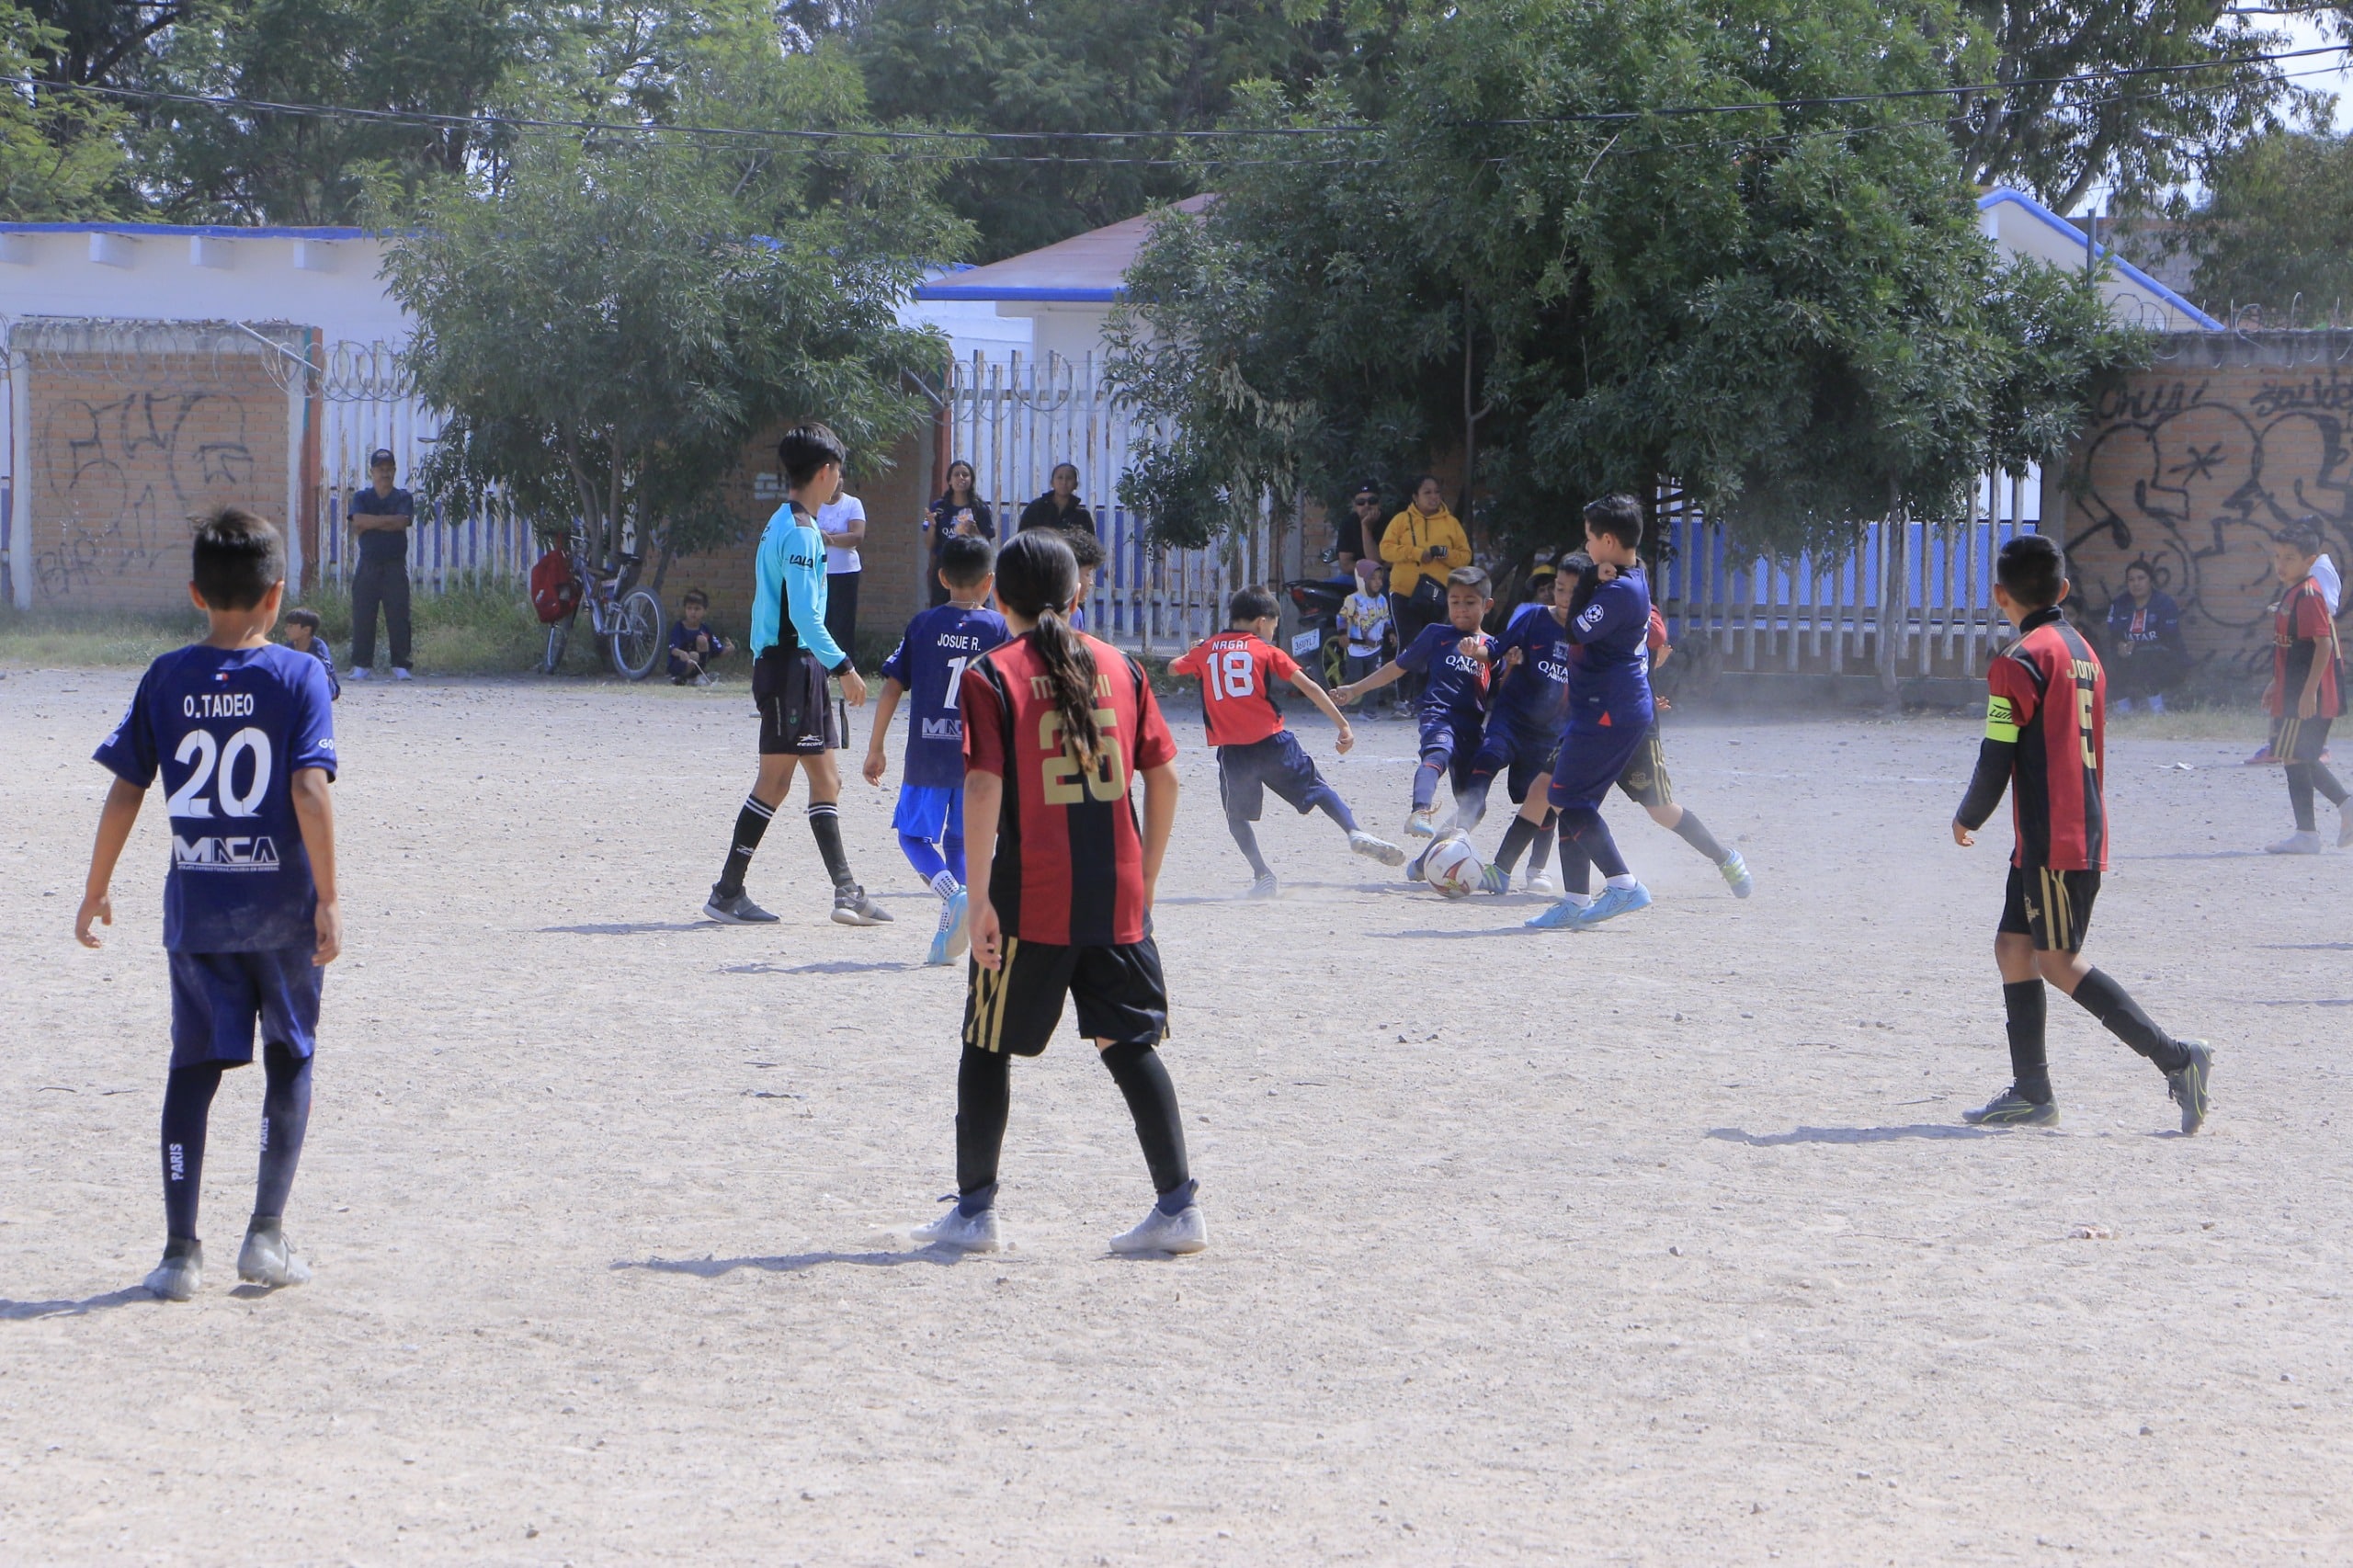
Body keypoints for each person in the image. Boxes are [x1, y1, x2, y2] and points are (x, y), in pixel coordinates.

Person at [912, 530, 1202, 1256]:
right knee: (1129, 1044)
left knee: (986, 1044)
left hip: (1029, 895)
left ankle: (975, 1214)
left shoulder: (992, 673)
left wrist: (978, 899)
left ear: (998, 599)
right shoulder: (1125, 668)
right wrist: (1150, 878)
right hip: (1117, 894)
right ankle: (1179, 1209)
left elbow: (982, 787)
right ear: (1080, 596)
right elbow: (1164, 778)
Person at [76, 506, 339, 1300]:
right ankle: (265, 1235)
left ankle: (179, 1252)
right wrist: (329, 899)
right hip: (281, 910)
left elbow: (127, 789)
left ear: (196, 593)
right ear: (276, 595)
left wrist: (96, 888)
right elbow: (308, 789)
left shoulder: (165, 676)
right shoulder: (301, 677)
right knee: (289, 1055)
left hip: (197, 911)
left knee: (193, 1067)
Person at [1951, 533, 2212, 1131]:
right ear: (2063, 591)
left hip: (2052, 840)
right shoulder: (2083, 652)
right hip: (2073, 831)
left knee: (2058, 961)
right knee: (2013, 948)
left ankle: (2179, 1059)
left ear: (1999, 595)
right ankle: (2032, 1092)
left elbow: (1998, 753)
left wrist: (1968, 815)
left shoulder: (2016, 662)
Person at [701, 423, 890, 928]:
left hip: (790, 665)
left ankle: (846, 892)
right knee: (776, 781)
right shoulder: (804, 533)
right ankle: (727, 892)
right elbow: (805, 616)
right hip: (791, 666)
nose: (840, 481)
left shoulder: (780, 520)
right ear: (825, 473)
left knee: (826, 779)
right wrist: (845, 667)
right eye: (839, 473)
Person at [1487, 554, 1755, 901]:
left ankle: (1724, 857)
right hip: (1590, 723)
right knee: (1547, 790)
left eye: (1576, 588)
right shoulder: (1573, 621)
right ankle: (1502, 869)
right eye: (1561, 589)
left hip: (1631, 728)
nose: (1566, 597)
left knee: (1661, 810)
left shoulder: (1626, 609)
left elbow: (1655, 633)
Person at [1167, 585, 1404, 897]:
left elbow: (1172, 669)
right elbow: (1309, 687)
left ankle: (1262, 874)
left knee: (1236, 816)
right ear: (1262, 622)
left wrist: (1193, 650)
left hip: (1234, 753)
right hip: (1273, 743)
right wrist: (1343, 724)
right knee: (1318, 789)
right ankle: (1354, 832)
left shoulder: (1207, 649)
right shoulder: (1266, 650)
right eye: (1274, 626)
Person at [863, 534, 1010, 964]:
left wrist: (876, 748)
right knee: (962, 840)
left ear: (942, 577)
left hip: (928, 754)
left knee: (912, 834)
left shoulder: (923, 625)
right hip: (978, 758)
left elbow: (892, 687)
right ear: (989, 582)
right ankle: (952, 926)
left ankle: (952, 894)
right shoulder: (999, 630)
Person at [1525, 497, 1659, 931]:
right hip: (1605, 708)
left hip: (1610, 711)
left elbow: (1575, 627)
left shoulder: (1621, 590)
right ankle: (1576, 900)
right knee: (1575, 801)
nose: (1585, 544)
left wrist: (1585, 579)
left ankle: (1622, 883)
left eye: (1588, 537)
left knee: (1564, 799)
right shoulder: (1629, 575)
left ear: (1606, 540)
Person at [1334, 566, 1495, 841]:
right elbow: (1397, 667)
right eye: (1455, 602)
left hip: (1472, 728)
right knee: (1437, 755)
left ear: (1487, 605)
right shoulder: (1436, 635)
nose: (1461, 609)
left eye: (1470, 602)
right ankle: (1420, 811)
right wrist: (1354, 688)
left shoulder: (1493, 647)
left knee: (1475, 807)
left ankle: (1431, 859)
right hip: (1439, 715)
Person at [2262, 522, 2349, 854]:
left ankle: (2336, 811)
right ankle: (2309, 834)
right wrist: (2275, 681)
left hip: (2306, 692)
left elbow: (2323, 645)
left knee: (2296, 754)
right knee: (2293, 755)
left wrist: (2310, 691)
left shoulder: (2310, 594)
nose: (2281, 564)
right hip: (2291, 688)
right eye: (2277, 556)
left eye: (2290, 558)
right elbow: (2290, 646)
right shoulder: (2292, 592)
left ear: (2309, 560)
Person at [1378, 475, 1472, 687]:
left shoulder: (1451, 523)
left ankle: (1425, 696)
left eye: (1436, 492)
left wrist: (1445, 554)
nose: (1433, 497)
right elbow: (1385, 550)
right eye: (1427, 492)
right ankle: (1404, 700)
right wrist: (1417, 553)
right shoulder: (1402, 520)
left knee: (1434, 643)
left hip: (1437, 595)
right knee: (1409, 645)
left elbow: (1465, 556)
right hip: (1404, 593)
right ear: (1415, 497)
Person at [346, 448, 415, 681]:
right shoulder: (362, 498)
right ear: (372, 471)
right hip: (368, 564)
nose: (384, 473)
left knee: (398, 615)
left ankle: (401, 665)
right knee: (363, 614)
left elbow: (402, 522)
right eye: (380, 469)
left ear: (394, 471)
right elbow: (358, 520)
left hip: (395, 565)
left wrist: (371, 523)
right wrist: (387, 521)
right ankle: (361, 665)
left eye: (389, 469)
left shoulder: (403, 497)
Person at [2104, 560, 2188, 714]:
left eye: (2141, 578)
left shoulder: (2165, 603)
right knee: (2108, 659)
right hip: (2129, 657)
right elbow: (2114, 635)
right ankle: (2125, 710)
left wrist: (2136, 648)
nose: (2136, 583)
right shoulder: (2119, 604)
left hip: (2164, 658)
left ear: (2151, 580)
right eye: (2131, 579)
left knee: (2146, 658)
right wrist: (2120, 647)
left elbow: (2168, 638)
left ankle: (2158, 710)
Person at [926, 460, 995, 608]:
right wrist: (932, 525)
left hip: (972, 565)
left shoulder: (980, 508)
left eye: (965, 475)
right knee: (941, 607)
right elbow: (928, 545)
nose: (961, 478)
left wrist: (974, 531)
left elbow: (986, 545)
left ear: (971, 480)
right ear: (950, 481)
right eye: (956, 475)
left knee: (974, 606)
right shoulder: (939, 507)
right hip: (945, 565)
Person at [817, 485, 867, 656]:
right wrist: (835, 538)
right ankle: (820, 667)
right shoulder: (815, 503)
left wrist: (827, 538)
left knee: (843, 623)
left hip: (846, 573)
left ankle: (845, 667)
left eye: (840, 478)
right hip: (818, 573)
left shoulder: (852, 504)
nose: (836, 483)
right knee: (821, 621)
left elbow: (856, 536)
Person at [1339, 560, 1393, 710]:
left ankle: (1369, 711)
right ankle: (1338, 700)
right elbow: (1342, 617)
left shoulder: (1382, 600)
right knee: (1354, 678)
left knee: (1375, 680)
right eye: (1373, 578)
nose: (1377, 582)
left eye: (1379, 578)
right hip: (1356, 649)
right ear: (1362, 579)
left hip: (1375, 649)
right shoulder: (1353, 600)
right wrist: (1343, 633)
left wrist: (1390, 632)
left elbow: (1385, 619)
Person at [667, 589, 732, 685]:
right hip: (680, 664)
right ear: (685, 609)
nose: (693, 612)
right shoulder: (679, 627)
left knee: (702, 640)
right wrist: (681, 653)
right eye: (689, 608)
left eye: (697, 609)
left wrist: (729, 649)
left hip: (696, 663)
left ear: (705, 611)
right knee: (693, 656)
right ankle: (680, 678)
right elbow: (673, 648)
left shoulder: (705, 629)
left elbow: (717, 651)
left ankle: (698, 675)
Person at [1017, 462, 1097, 537]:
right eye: (1060, 477)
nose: (1064, 482)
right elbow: (1022, 539)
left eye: (1069, 478)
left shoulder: (1083, 517)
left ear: (1075, 485)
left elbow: (1090, 547)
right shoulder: (1035, 509)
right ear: (1052, 483)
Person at [281, 606, 340, 699]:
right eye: (287, 626)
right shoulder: (288, 647)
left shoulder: (318, 646)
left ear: (306, 630)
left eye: (291, 626)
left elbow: (322, 671)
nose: (286, 629)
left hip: (328, 688)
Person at [1333, 480, 1383, 575]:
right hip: (1355, 576)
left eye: (1372, 501)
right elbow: (1346, 565)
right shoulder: (1347, 523)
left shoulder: (1391, 522)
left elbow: (1375, 561)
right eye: (1361, 502)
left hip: (1383, 578)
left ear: (1379, 503)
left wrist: (1366, 528)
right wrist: (1371, 568)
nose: (1367, 505)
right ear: (1354, 505)